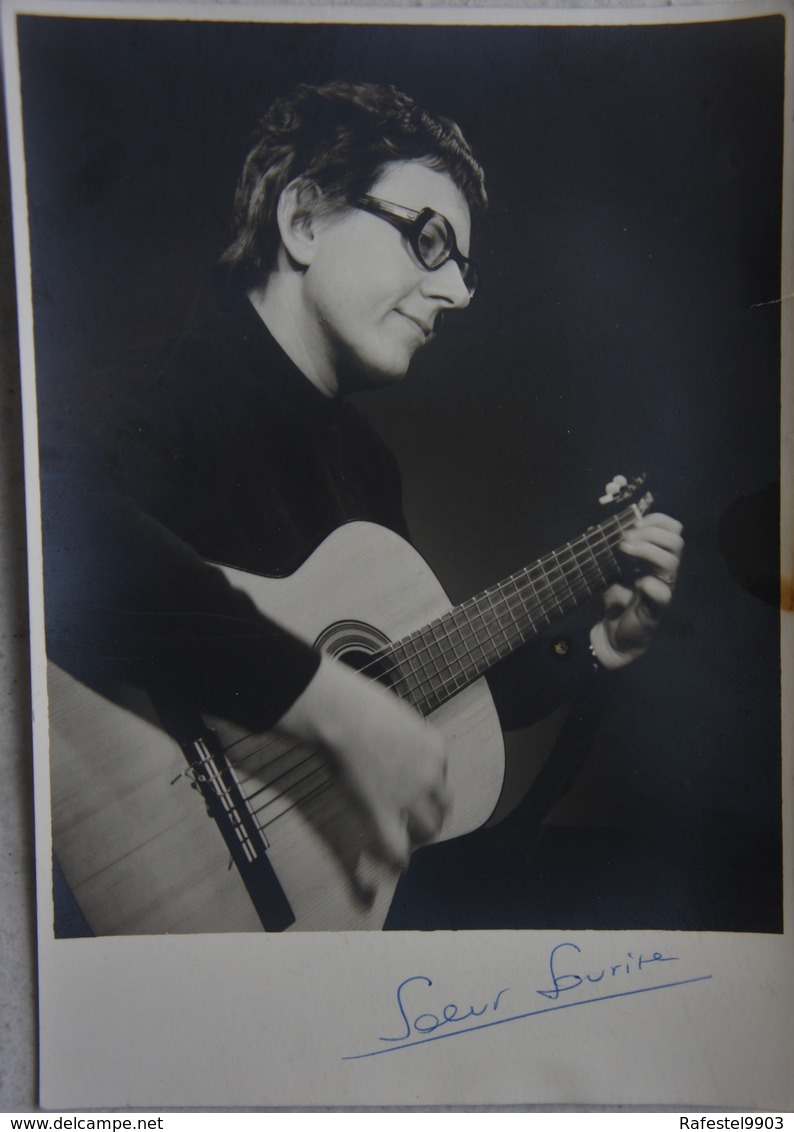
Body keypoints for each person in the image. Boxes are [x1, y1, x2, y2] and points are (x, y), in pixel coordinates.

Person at [41, 81, 683, 919]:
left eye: (465, 265)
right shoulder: (167, 387)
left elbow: (411, 697)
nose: (458, 292)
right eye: (428, 241)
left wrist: (593, 648)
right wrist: (327, 704)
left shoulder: (365, 467)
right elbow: (47, 526)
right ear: (304, 220)